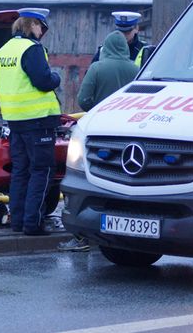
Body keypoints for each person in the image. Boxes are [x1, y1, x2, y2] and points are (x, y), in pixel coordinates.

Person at [58, 30, 139, 252]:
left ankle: (83, 236)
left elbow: (83, 99)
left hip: (103, 136)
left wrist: (97, 110)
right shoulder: (136, 69)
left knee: (93, 184)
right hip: (132, 136)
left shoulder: (97, 68)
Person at [0, 7, 61, 236]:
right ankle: (33, 224)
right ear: (32, 25)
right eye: (42, 27)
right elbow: (43, 81)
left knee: (20, 172)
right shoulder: (31, 49)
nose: (43, 32)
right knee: (41, 171)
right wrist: (57, 77)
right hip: (38, 122)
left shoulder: (3, 51)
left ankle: (18, 221)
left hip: (15, 122)